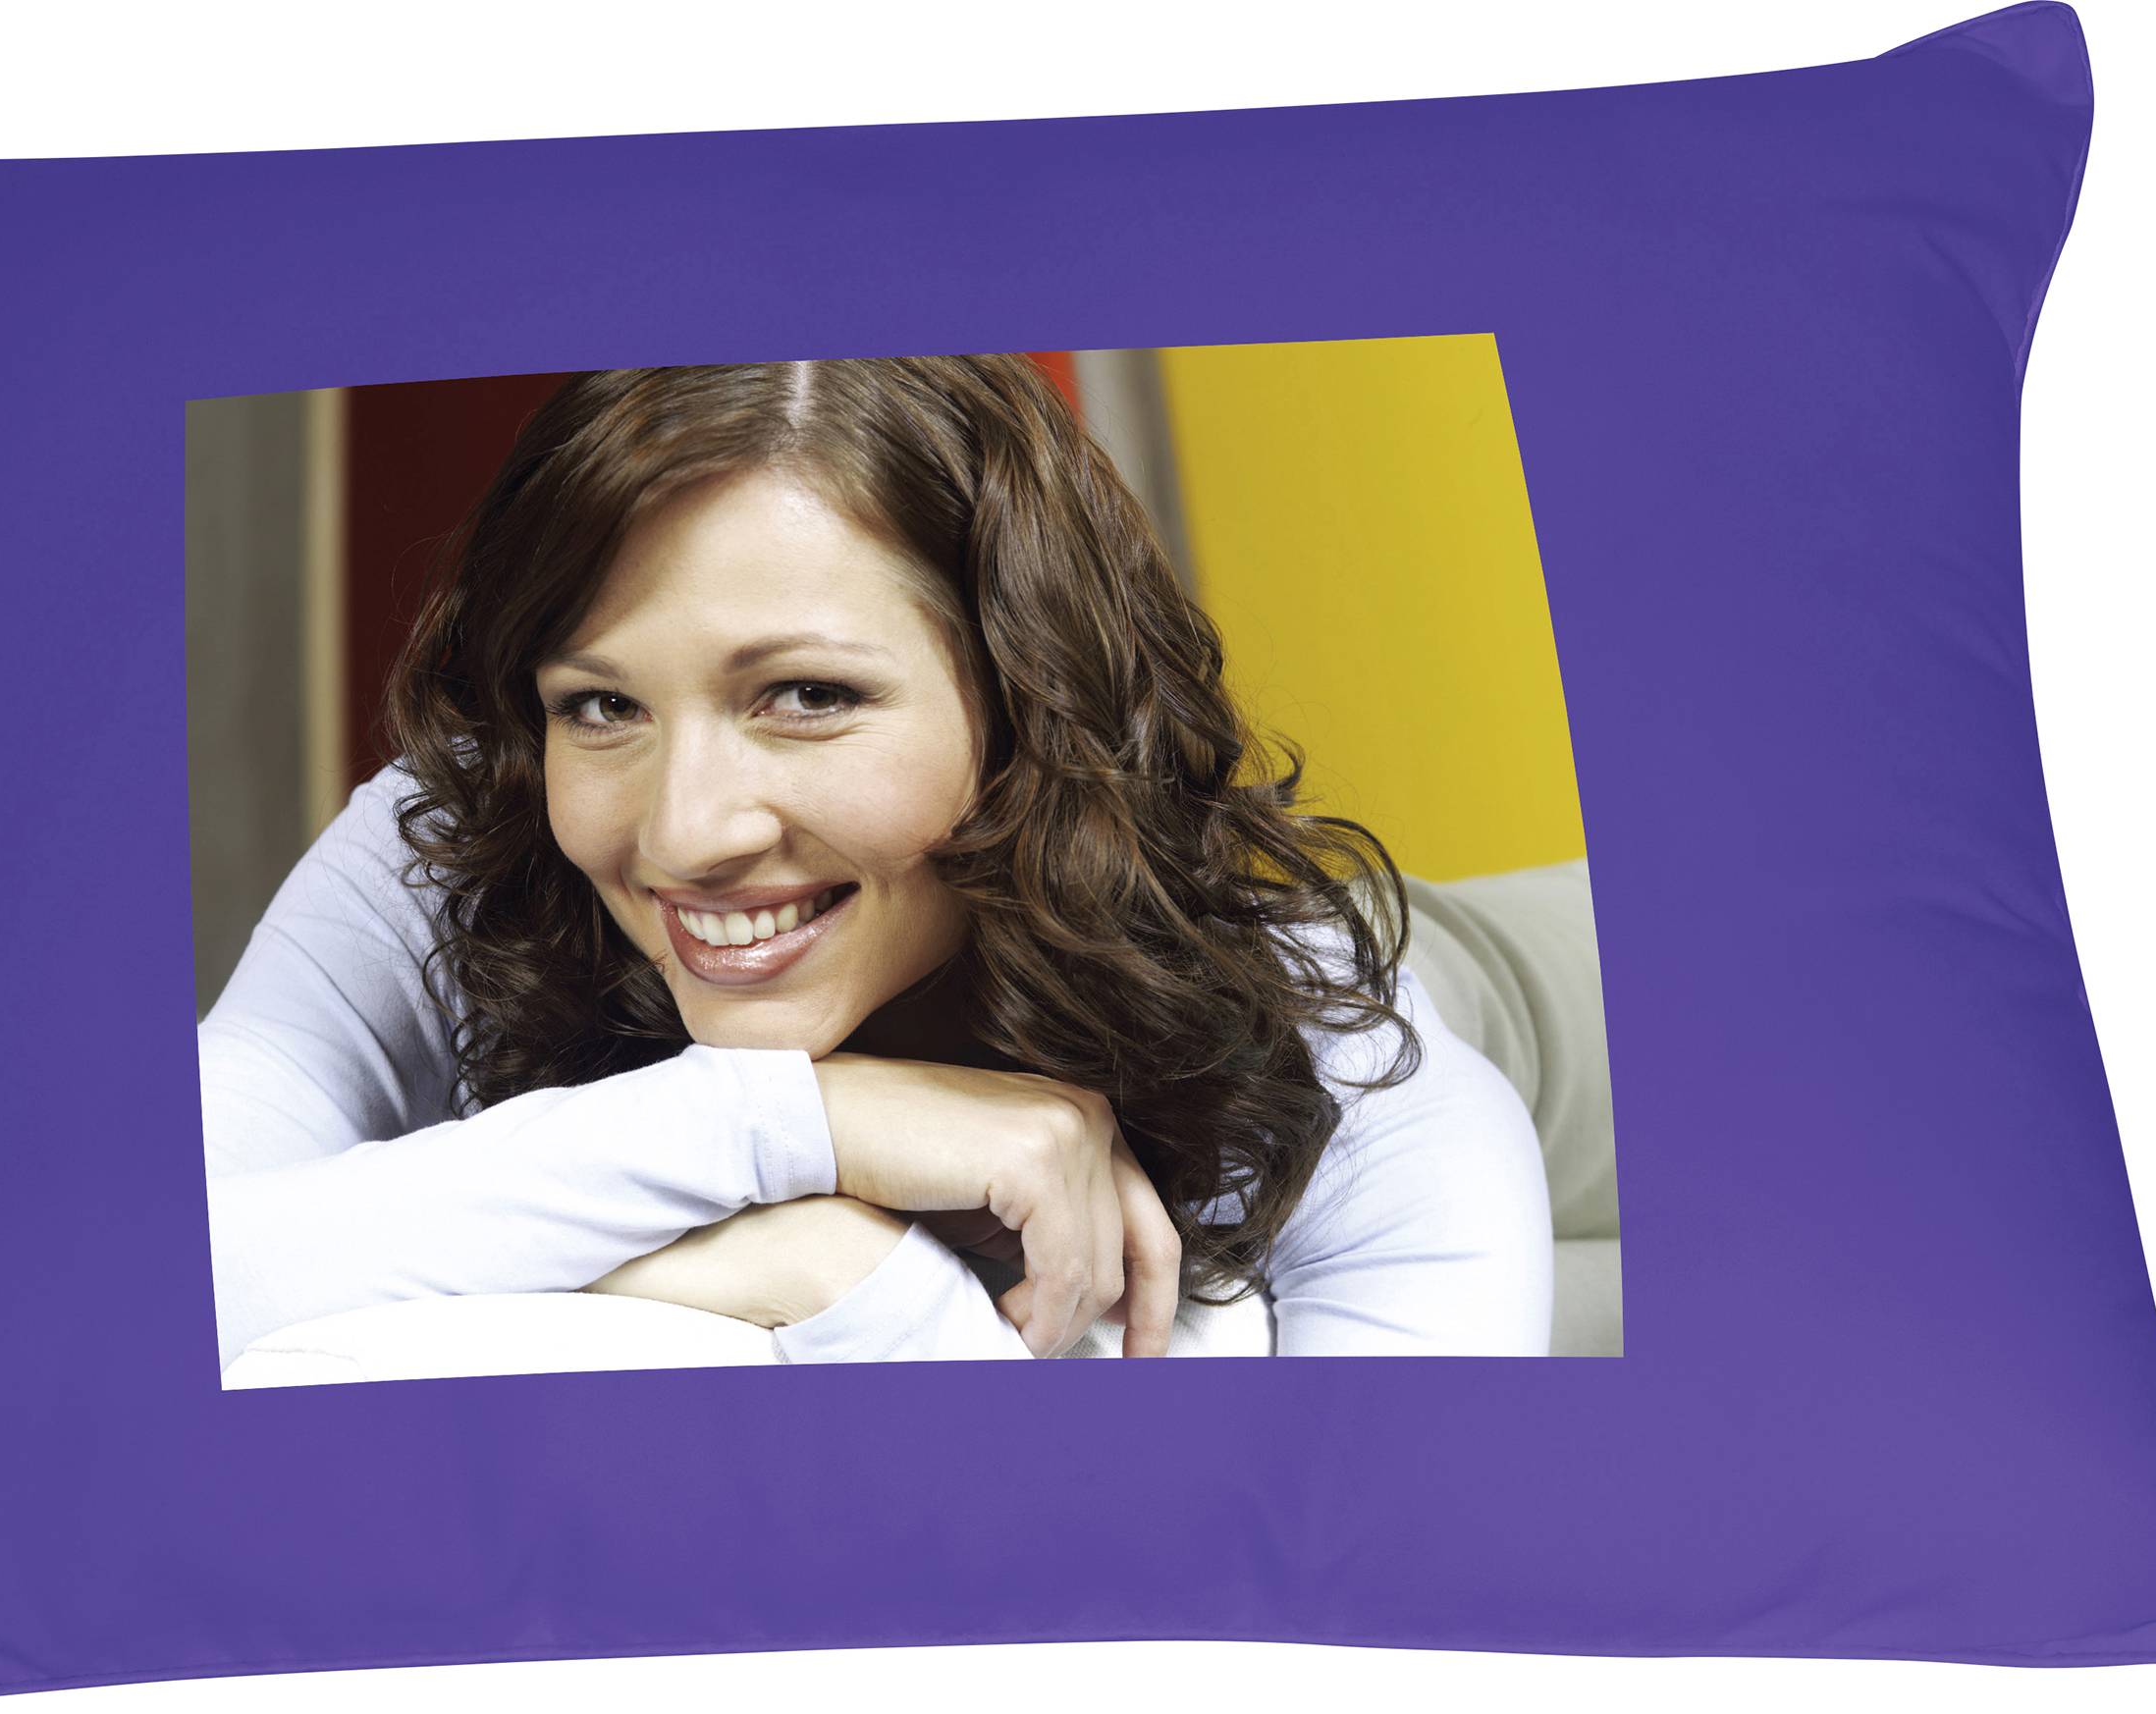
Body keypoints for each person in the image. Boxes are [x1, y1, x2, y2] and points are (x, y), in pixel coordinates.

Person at [200, 356, 1552, 1374]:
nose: (684, 833)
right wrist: (796, 1148)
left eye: (806, 695)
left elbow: (1369, 1580)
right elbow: (144, 1295)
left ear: (1030, 706)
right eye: (601, 705)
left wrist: (855, 1294)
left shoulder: (1350, 1066)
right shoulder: (460, 841)